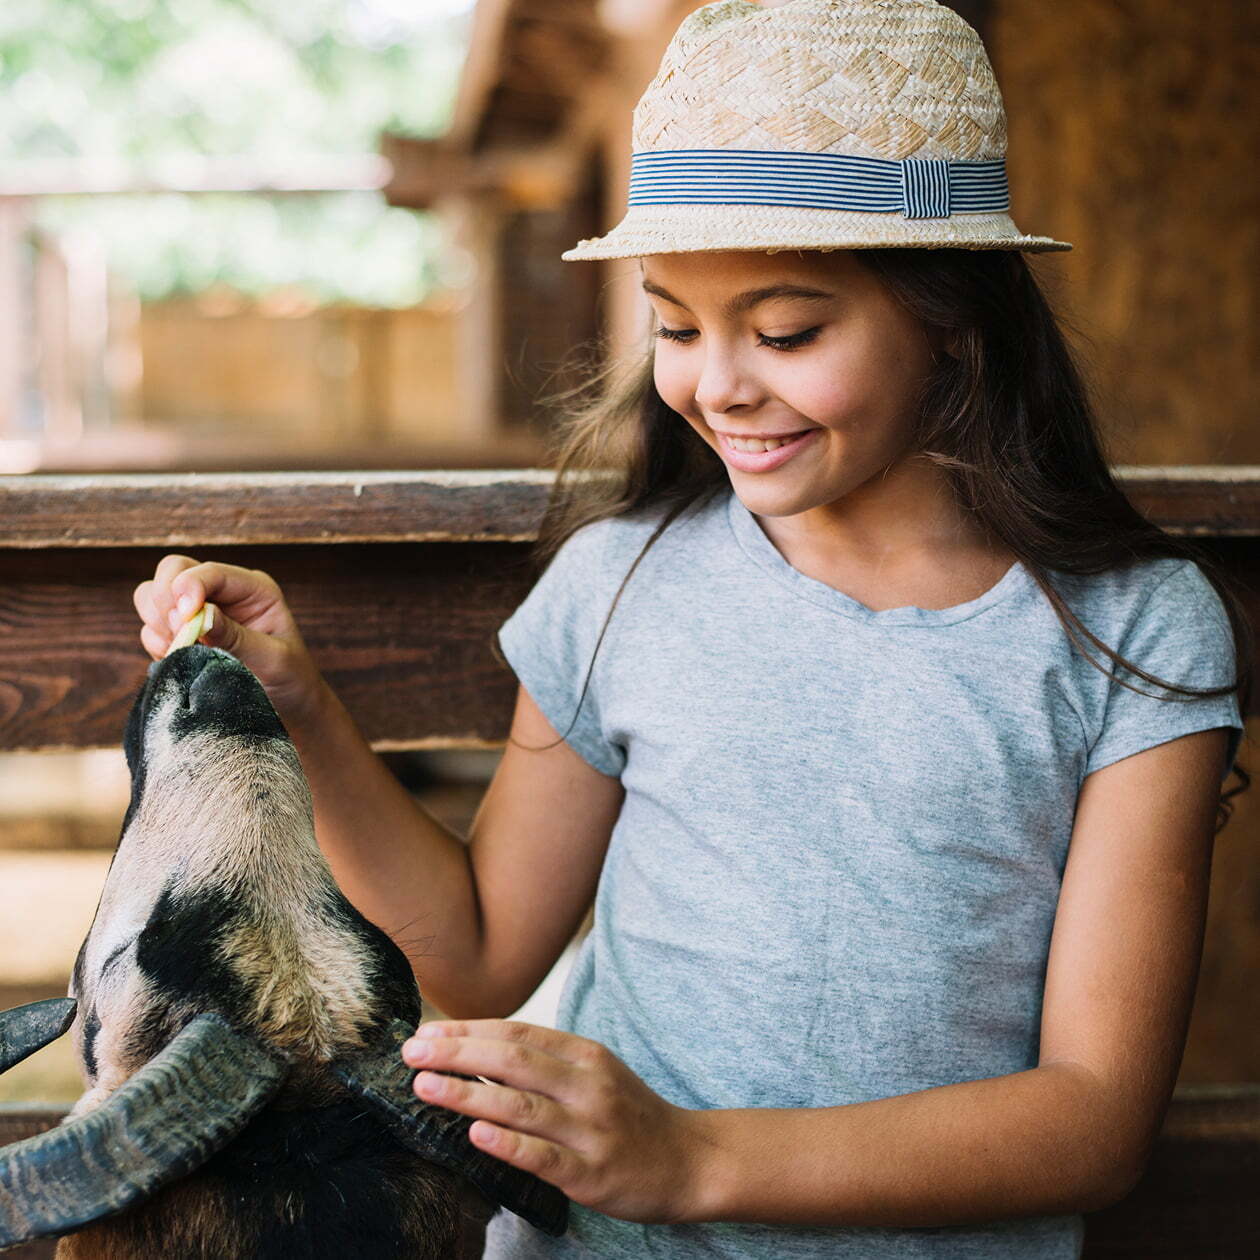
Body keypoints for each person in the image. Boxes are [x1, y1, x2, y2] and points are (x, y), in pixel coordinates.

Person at [134, 2, 1252, 1257]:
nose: (717, 383)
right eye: (674, 324)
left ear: (953, 320)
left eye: (786, 332)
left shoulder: (1133, 631)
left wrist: (694, 1156)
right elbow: (485, 952)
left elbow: (1096, 1121)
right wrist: (299, 708)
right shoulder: (624, 583)